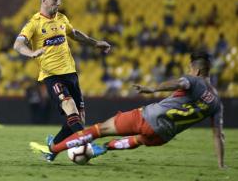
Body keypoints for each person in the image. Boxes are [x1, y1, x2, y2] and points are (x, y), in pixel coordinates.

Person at [34, 51, 225, 168]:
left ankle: (54, 150)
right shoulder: (216, 101)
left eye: (191, 69)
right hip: (163, 136)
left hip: (148, 117)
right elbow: (218, 136)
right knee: (137, 139)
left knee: (98, 130)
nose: (190, 72)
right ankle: (106, 148)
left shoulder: (193, 80)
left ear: (197, 70)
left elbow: (180, 82)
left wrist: (152, 89)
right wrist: (221, 164)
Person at [14, 0, 111, 161]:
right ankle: (88, 145)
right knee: (70, 107)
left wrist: (95, 43)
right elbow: (18, 44)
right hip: (52, 76)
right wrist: (31, 53)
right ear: (44, 0)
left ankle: (52, 149)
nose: (59, 2)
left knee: (76, 120)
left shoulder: (62, 18)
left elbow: (74, 33)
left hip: (71, 74)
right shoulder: (34, 23)